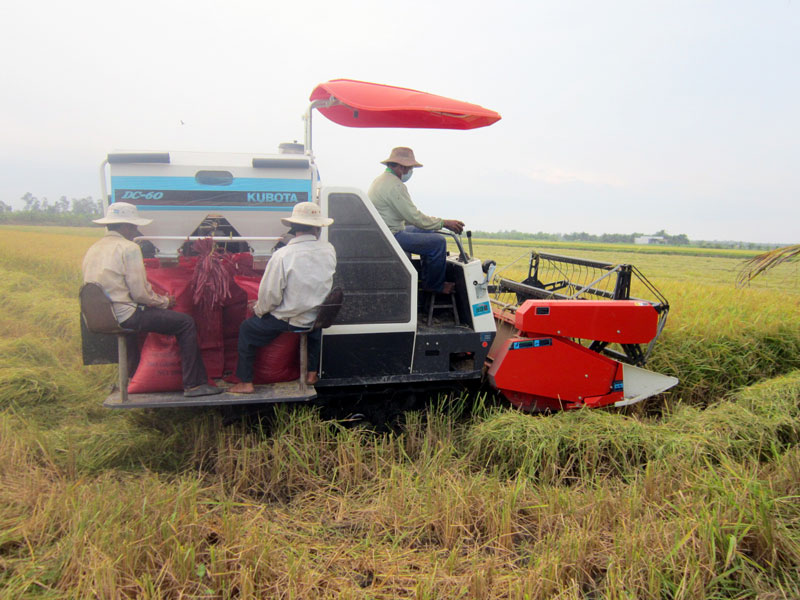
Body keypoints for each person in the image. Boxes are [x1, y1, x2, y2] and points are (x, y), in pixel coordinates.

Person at [82, 202, 221, 398]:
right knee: (185, 323)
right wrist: (165, 302)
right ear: (126, 226)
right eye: (134, 227)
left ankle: (131, 375)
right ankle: (195, 385)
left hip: (100, 316)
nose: (135, 231)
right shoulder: (128, 248)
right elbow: (140, 293)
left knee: (135, 325)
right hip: (124, 315)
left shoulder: (94, 248)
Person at [229, 202, 337, 393]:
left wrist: (258, 309)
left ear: (293, 228)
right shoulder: (329, 250)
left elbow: (271, 295)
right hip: (317, 317)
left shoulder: (283, 255)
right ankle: (311, 372)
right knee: (313, 322)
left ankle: (245, 381)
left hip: (290, 321)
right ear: (317, 228)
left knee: (247, 329)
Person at [368, 147, 464, 294]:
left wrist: (431, 225)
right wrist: (444, 223)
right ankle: (435, 285)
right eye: (410, 168)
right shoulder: (395, 186)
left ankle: (428, 277)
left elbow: (411, 218)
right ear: (401, 167)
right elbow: (414, 217)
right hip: (391, 235)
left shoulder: (380, 180)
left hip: (386, 230)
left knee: (427, 230)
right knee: (438, 243)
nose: (410, 172)